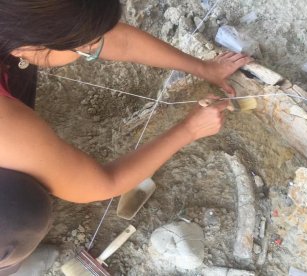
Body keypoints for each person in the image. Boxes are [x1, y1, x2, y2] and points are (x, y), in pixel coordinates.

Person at [0, 0, 252, 274]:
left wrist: (203, 68)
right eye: (85, 48)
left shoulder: (15, 23)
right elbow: (103, 184)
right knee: (18, 210)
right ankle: (10, 263)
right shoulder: (6, 124)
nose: (92, 50)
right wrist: (190, 129)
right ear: (25, 46)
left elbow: (118, 41)